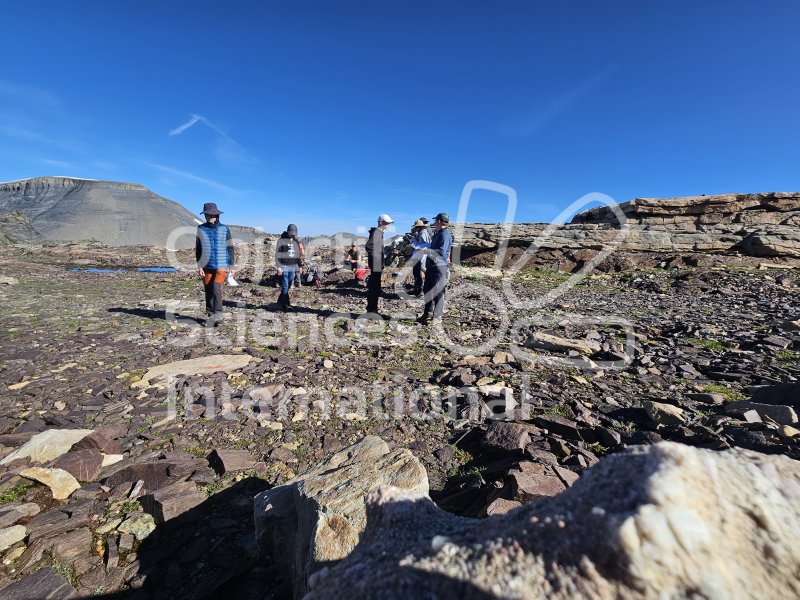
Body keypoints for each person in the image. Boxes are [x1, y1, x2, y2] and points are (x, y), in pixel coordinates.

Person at [196, 202, 236, 326]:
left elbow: (230, 248)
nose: (210, 217)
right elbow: (198, 248)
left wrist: (232, 266)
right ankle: (210, 314)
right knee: (208, 290)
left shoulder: (224, 228)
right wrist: (199, 266)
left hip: (221, 265)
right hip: (206, 265)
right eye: (208, 214)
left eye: (213, 214)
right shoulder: (201, 229)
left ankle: (218, 314)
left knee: (216, 288)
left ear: (217, 215)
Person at [417, 212, 453, 325]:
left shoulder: (444, 235)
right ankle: (427, 313)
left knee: (438, 292)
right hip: (432, 266)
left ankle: (437, 317)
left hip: (439, 267)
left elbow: (442, 252)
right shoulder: (438, 233)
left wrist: (425, 251)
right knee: (427, 290)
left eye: (435, 221)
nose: (433, 223)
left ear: (438, 221)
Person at [364, 213, 394, 315]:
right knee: (374, 288)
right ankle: (372, 311)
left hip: (377, 265)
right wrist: (377, 259)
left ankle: (372, 309)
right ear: (381, 222)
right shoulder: (377, 232)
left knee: (375, 288)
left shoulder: (379, 233)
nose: (388, 225)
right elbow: (369, 246)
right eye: (387, 223)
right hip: (376, 265)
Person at [275, 224, 303, 311]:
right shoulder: (281, 241)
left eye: (294, 234)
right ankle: (286, 304)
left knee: (289, 284)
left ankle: (280, 300)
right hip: (284, 266)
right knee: (285, 285)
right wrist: (279, 266)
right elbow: (277, 255)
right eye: (291, 233)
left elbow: (297, 255)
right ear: (287, 232)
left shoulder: (296, 241)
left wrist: (300, 266)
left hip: (293, 266)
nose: (292, 235)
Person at [409, 219, 431, 296]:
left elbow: (426, 245)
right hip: (419, 256)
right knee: (417, 273)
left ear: (419, 227)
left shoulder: (422, 233)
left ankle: (420, 291)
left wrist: (414, 242)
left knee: (419, 273)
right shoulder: (421, 233)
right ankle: (417, 289)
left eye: (416, 227)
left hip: (420, 256)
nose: (415, 229)